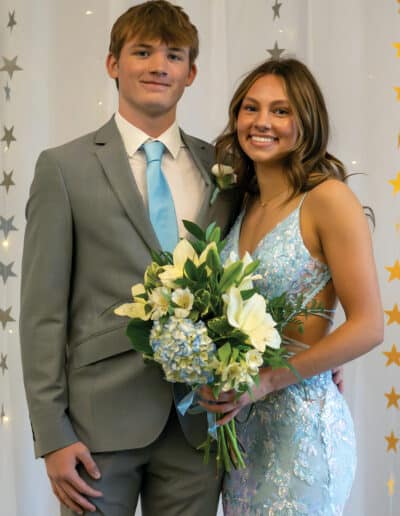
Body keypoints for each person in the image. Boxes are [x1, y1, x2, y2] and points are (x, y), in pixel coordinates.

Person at [19, 2, 242, 515]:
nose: (158, 66)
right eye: (142, 52)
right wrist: (52, 433)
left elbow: (253, 271)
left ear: (191, 73)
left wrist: (308, 353)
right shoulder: (64, 168)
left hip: (198, 423)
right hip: (96, 426)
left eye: (174, 55)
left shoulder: (225, 169)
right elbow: (42, 313)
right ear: (113, 64)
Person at [200, 58, 383, 515]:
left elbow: (368, 326)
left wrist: (269, 380)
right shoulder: (242, 204)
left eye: (280, 111)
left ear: (307, 121)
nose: (262, 122)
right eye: (251, 108)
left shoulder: (327, 199)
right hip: (243, 436)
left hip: (302, 434)